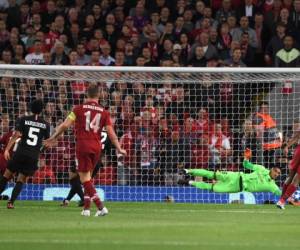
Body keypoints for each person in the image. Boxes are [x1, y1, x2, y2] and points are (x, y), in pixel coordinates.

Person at [43, 84, 126, 217]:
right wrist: (119, 148)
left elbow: (65, 125)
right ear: (99, 95)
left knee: (84, 179)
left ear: (86, 95)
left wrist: (53, 137)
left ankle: (101, 207)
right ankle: (86, 209)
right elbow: (111, 133)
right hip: (97, 148)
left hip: (83, 145)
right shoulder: (104, 112)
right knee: (89, 178)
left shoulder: (77, 109)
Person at [0, 100, 50, 209]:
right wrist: (39, 151)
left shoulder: (24, 119)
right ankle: (11, 202)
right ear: (41, 110)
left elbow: (16, 135)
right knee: (21, 179)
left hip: (20, 153)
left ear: (31, 108)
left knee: (6, 176)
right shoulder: (46, 125)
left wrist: (7, 149)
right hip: (32, 156)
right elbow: (47, 143)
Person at [179, 148, 281, 196]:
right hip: (235, 176)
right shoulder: (261, 168)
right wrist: (246, 157)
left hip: (236, 187)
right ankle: (187, 171)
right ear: (272, 169)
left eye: (278, 173)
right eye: (276, 171)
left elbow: (280, 193)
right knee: (211, 174)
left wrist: (291, 198)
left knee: (211, 187)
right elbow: (246, 165)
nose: (276, 174)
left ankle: (189, 182)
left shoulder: (272, 185)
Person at [276, 119, 300, 209]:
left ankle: (281, 200)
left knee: (290, 177)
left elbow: (296, 137)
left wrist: (287, 146)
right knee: (296, 180)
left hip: (298, 150)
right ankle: (282, 201)